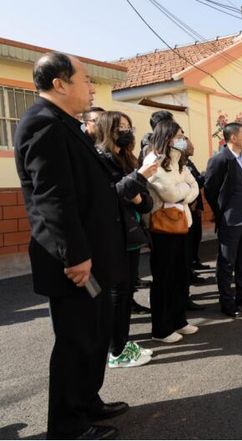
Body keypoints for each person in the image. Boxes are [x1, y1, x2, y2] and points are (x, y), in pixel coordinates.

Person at [14, 52, 128, 439]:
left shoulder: (65, 123)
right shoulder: (42, 125)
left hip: (90, 255)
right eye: (85, 80)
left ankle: (88, 401)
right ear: (60, 84)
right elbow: (53, 199)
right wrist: (75, 255)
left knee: (95, 335)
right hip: (73, 261)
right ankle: (68, 425)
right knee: (76, 341)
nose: (92, 87)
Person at [96, 111, 157, 368]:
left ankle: (122, 343)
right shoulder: (100, 159)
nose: (127, 131)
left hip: (131, 235)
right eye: (121, 128)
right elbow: (110, 197)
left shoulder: (128, 160)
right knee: (116, 296)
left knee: (125, 293)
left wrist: (138, 190)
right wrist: (139, 178)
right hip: (112, 237)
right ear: (108, 131)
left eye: (128, 127)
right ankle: (116, 351)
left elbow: (145, 203)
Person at [144, 120, 200, 341]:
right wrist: (183, 192)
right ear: (167, 137)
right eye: (179, 134)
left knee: (180, 276)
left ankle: (178, 320)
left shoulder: (179, 161)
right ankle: (161, 328)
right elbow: (168, 193)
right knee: (164, 278)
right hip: (162, 227)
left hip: (182, 223)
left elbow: (194, 186)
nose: (183, 138)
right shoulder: (153, 160)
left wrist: (182, 192)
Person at [204, 123, 242, 318]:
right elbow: (211, 189)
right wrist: (222, 212)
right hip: (230, 220)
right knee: (226, 262)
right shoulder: (220, 159)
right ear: (233, 138)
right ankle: (227, 302)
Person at [183, 137, 208, 311]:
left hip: (193, 206)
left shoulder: (187, 163)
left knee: (194, 240)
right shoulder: (176, 164)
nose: (192, 146)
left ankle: (193, 264)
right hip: (182, 211)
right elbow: (190, 185)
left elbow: (196, 183)